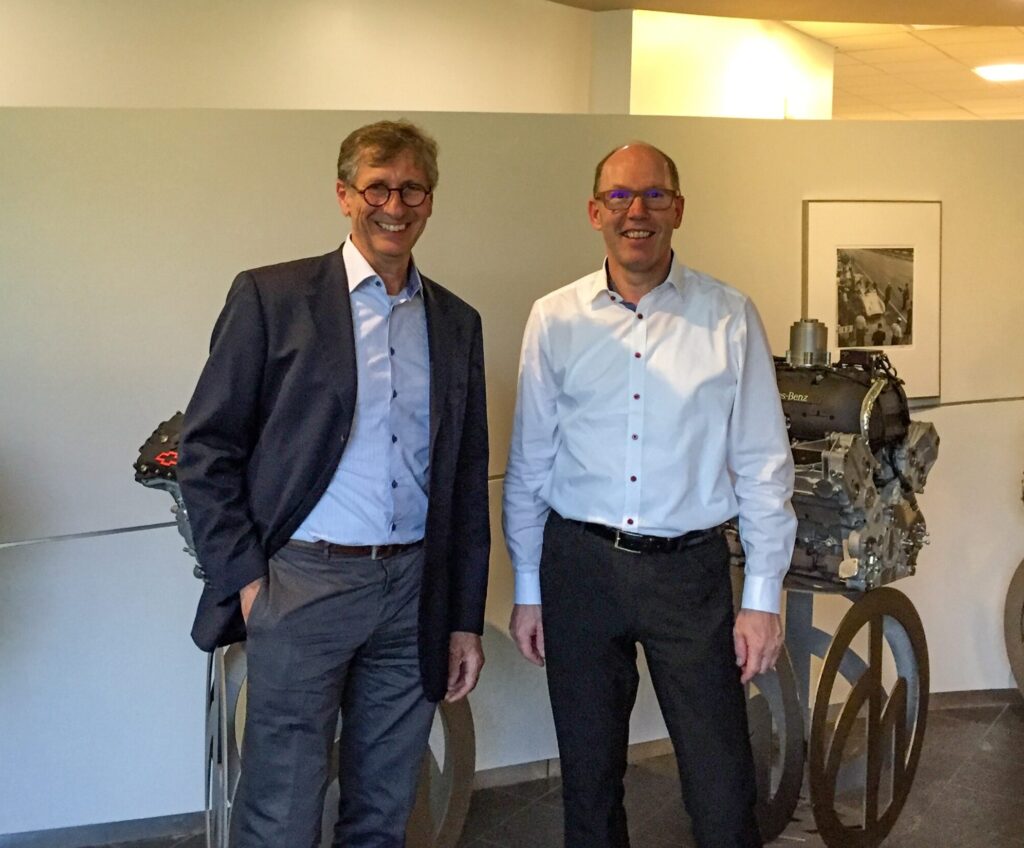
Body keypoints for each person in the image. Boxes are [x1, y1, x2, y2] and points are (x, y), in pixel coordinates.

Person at [177, 120, 490, 848]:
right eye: (377, 186)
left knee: (385, 805)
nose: (395, 203)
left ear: (431, 201)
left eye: (411, 188)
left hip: (412, 588)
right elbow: (207, 448)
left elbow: (463, 480)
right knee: (281, 808)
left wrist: (463, 615)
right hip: (303, 585)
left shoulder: (455, 322)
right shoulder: (271, 297)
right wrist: (250, 583)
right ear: (344, 195)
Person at [502, 142, 795, 848]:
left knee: (721, 783)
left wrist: (761, 599)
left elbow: (762, 462)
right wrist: (528, 586)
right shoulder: (555, 318)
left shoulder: (729, 316)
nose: (639, 212)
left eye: (655, 196)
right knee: (589, 781)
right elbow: (530, 461)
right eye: (622, 197)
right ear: (595, 211)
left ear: (679, 209)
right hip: (579, 568)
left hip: (687, 575)